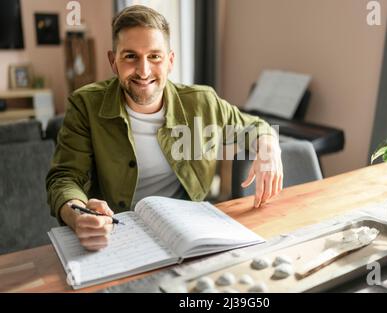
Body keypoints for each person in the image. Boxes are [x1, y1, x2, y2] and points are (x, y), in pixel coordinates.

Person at [46, 5, 283, 251]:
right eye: (130, 56)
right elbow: (65, 178)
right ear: (113, 61)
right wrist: (77, 215)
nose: (143, 70)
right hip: (115, 234)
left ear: (170, 61)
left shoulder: (202, 102)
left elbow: (255, 126)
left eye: (154, 56)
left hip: (187, 234)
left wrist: (270, 150)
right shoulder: (85, 104)